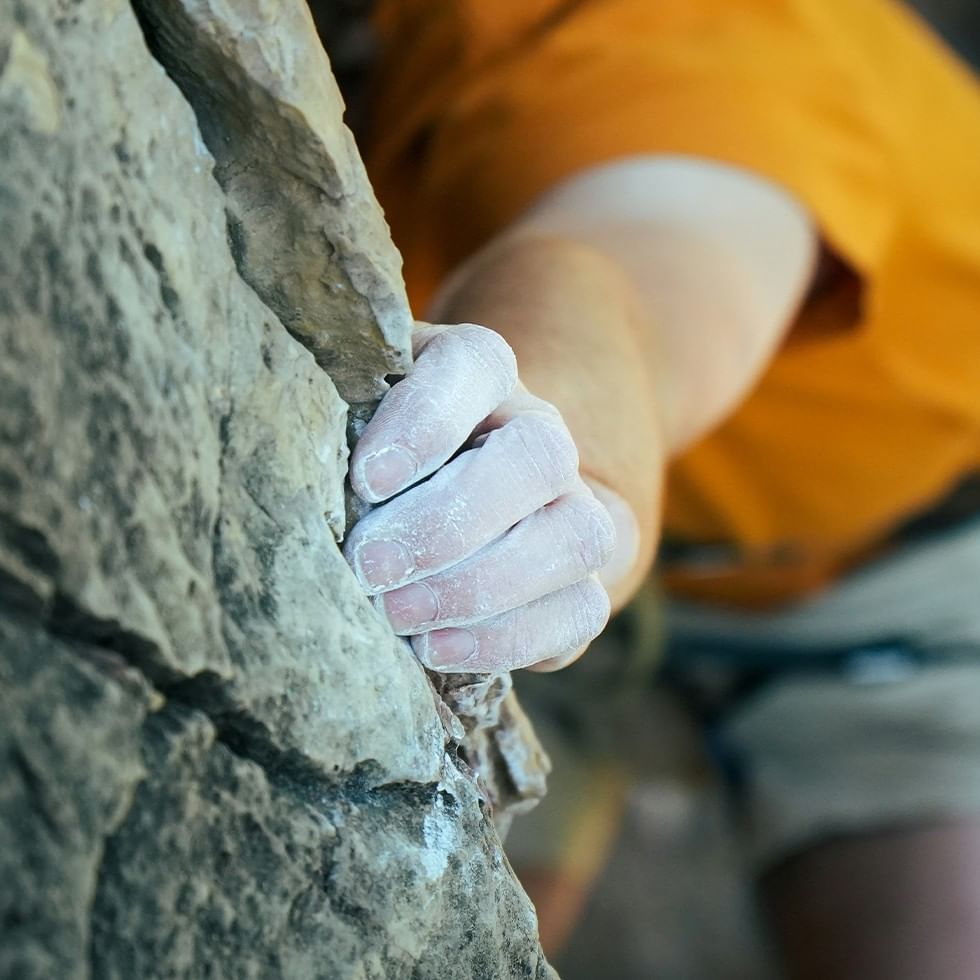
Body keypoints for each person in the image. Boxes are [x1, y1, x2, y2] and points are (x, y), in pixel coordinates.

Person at [340, 1, 980, 976]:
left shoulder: (696, 47)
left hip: (896, 582)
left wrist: (563, 455)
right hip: (564, 559)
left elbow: (639, 272)